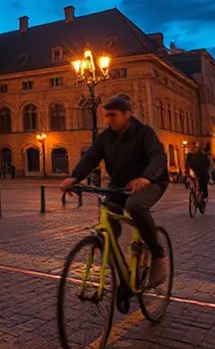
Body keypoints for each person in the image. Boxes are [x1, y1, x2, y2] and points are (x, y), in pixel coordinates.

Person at [59, 94, 171, 287]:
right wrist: (74, 177)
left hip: (152, 181)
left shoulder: (145, 133)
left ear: (127, 114)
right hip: (120, 184)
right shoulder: (105, 137)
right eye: (107, 115)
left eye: (113, 115)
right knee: (108, 217)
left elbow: (157, 157)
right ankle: (122, 267)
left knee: (135, 206)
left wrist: (146, 177)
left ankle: (158, 254)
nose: (108, 120)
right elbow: (90, 158)